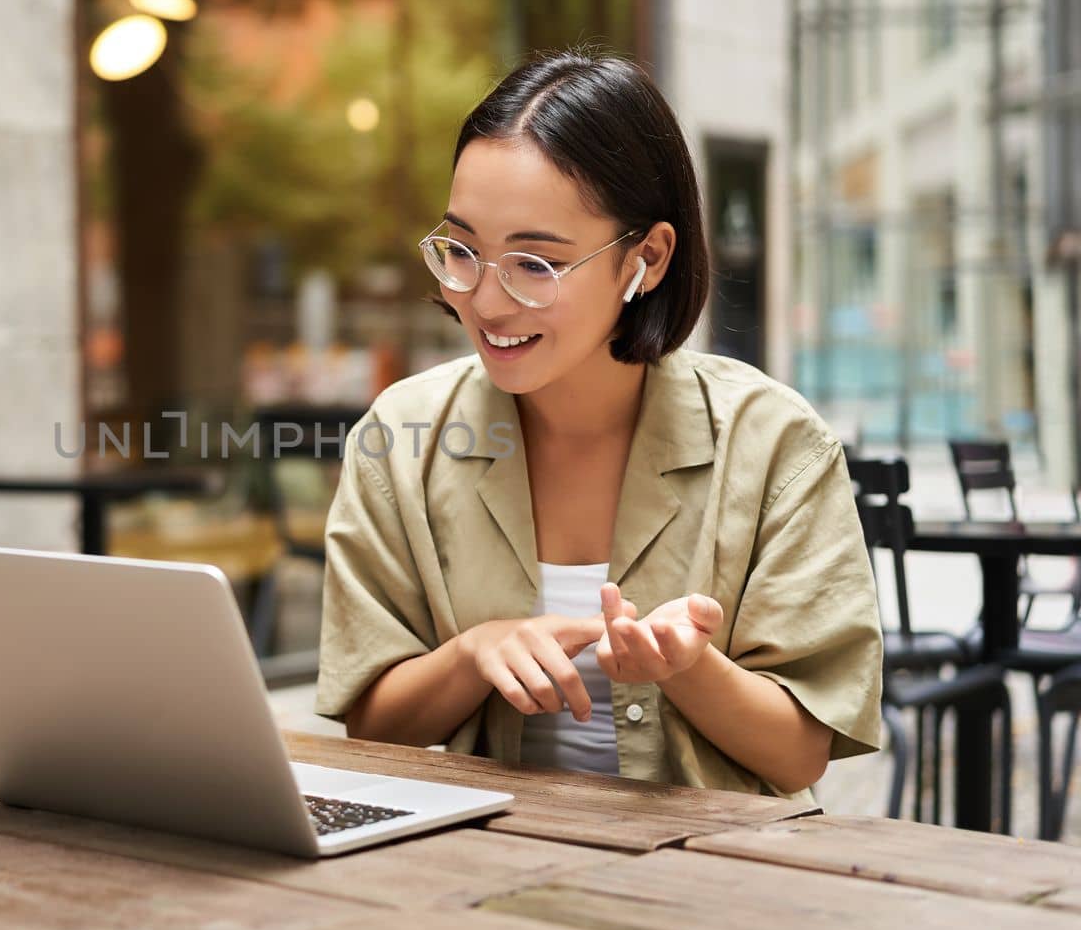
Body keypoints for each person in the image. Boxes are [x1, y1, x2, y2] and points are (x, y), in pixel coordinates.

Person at [314, 49, 883, 800]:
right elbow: (370, 724)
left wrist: (689, 669)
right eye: (462, 251)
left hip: (712, 882)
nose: (484, 301)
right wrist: (472, 653)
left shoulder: (774, 443)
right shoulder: (401, 436)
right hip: (474, 870)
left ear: (645, 257)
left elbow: (800, 753)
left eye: (534, 264)